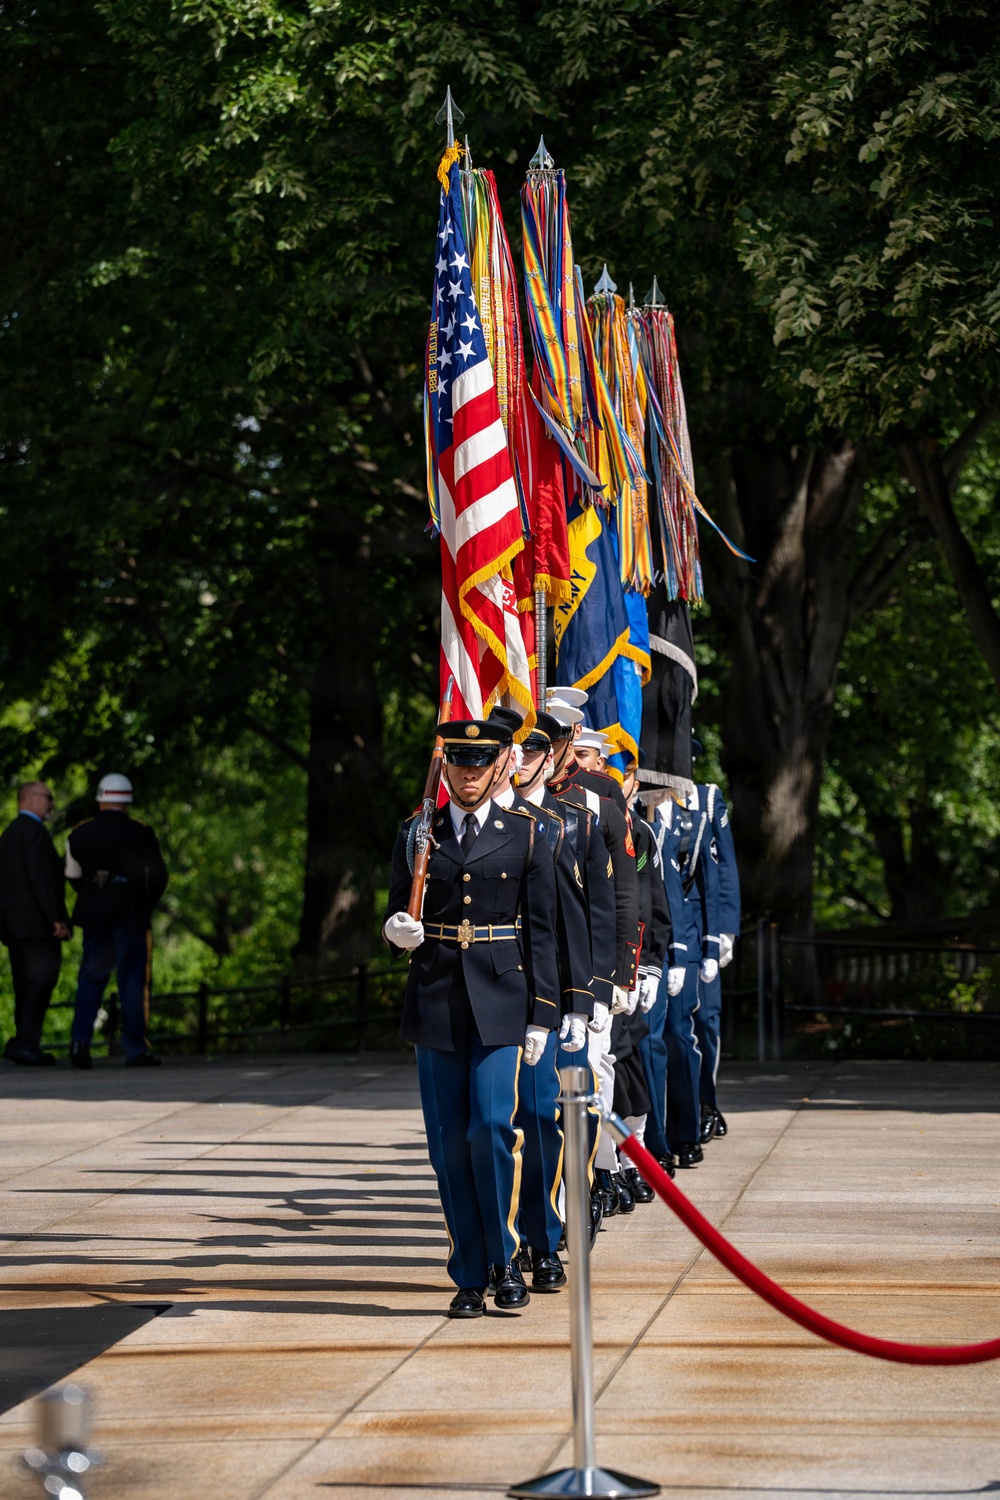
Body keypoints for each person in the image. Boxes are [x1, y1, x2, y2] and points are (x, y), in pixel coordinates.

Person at [383, 717, 560, 1319]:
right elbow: (393, 912)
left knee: (490, 1128)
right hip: (435, 999)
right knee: (446, 1147)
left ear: (500, 765)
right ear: (447, 766)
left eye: (480, 762)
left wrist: (543, 1015)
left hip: (502, 998)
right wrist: (395, 933)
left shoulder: (529, 834)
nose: (468, 772)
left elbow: (541, 932)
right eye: (458, 761)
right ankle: (469, 1271)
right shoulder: (418, 833)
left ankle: (505, 1258)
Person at [65, 774, 168, 1069]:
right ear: (128, 800)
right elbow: (159, 875)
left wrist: (93, 894)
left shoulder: (80, 832)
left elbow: (71, 874)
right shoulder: (141, 832)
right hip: (130, 912)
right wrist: (143, 904)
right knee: (133, 980)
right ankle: (135, 1050)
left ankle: (79, 1043)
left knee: (91, 977)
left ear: (100, 798)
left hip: (96, 911)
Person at [0, 782, 71, 1065]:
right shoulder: (34, 833)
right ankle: (26, 1042)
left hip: (14, 926)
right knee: (41, 979)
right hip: (36, 925)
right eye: (47, 798)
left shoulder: (9, 834)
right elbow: (42, 879)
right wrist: (57, 917)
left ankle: (23, 1041)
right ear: (29, 799)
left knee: (25, 983)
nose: (51, 804)